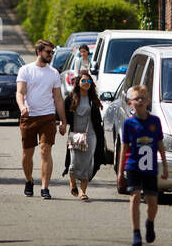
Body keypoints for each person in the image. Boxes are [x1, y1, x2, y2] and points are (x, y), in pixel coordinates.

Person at [116, 85, 167, 246]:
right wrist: (120, 171)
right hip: (133, 166)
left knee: (152, 201)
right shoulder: (129, 124)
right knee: (135, 196)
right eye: (136, 99)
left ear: (147, 101)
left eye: (142, 98)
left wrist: (164, 165)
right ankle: (136, 232)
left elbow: (159, 144)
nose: (139, 101)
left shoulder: (155, 121)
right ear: (130, 102)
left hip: (150, 167)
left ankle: (150, 223)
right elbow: (124, 148)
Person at [15, 40, 66, 198]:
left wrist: (63, 121)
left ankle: (45, 187)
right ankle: (29, 180)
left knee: (45, 150)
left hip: (48, 117)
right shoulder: (26, 70)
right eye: (48, 52)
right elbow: (20, 92)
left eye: (52, 52)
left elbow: (58, 98)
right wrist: (22, 107)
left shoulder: (54, 73)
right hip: (29, 117)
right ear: (39, 52)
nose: (50, 55)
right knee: (27, 154)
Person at [62, 70, 105, 201]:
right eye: (83, 81)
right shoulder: (71, 98)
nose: (86, 83)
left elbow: (97, 119)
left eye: (89, 81)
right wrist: (63, 124)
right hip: (75, 134)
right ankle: (73, 182)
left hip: (91, 135)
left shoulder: (93, 100)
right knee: (73, 163)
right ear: (78, 82)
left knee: (87, 163)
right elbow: (63, 114)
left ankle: (83, 191)